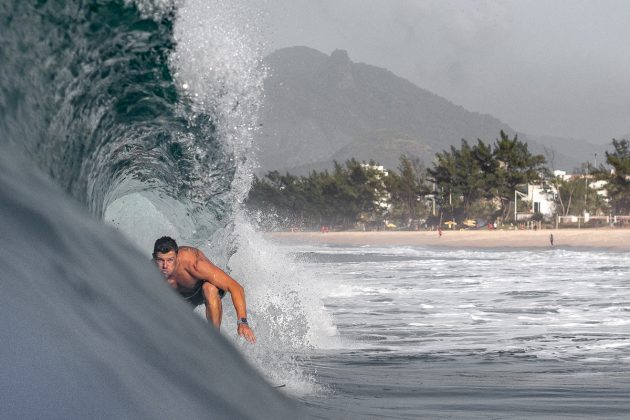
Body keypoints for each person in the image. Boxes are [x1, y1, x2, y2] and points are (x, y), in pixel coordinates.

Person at [152, 236, 256, 343]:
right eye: (160, 260)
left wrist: (242, 322)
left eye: (170, 260)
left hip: (203, 292)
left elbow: (235, 287)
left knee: (209, 288)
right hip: (184, 300)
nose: (165, 266)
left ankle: (215, 340)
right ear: (154, 258)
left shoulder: (193, 263)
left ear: (177, 256)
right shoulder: (149, 272)